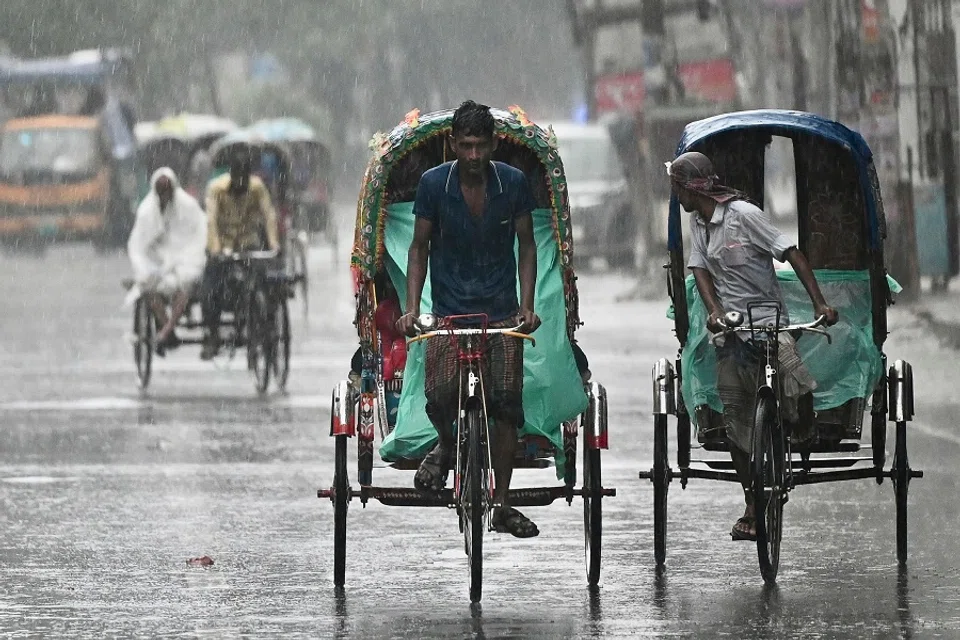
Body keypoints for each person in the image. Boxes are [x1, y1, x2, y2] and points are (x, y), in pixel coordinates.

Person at [666, 151, 839, 542]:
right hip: (733, 332)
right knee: (735, 420)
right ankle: (750, 501)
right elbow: (699, 269)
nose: (674, 195)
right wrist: (714, 311)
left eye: (677, 187)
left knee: (794, 380)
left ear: (689, 187)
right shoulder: (699, 224)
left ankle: (798, 428)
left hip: (769, 323)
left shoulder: (744, 216)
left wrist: (819, 303)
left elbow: (791, 252)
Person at [395, 100, 542, 538]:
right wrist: (411, 308)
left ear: (494, 143)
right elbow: (418, 248)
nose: (474, 156)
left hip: (499, 313)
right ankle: (445, 443)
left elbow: (528, 246)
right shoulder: (432, 185)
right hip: (449, 312)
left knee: (504, 406)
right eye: (466, 146)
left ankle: (501, 504)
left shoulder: (512, 183)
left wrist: (527, 306)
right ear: (453, 144)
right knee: (440, 395)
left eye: (481, 146)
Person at [199, 152, 280, 360]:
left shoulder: (257, 188)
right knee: (210, 289)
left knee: (267, 281)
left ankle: (266, 322)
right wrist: (216, 249)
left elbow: (268, 215)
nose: (241, 185)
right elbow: (211, 221)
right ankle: (213, 333)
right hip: (223, 247)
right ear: (231, 176)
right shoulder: (216, 189)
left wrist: (273, 244)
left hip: (249, 244)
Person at [127, 167, 207, 356]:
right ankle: (166, 325)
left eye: (167, 191)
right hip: (157, 262)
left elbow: (197, 236)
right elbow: (139, 244)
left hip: (185, 259)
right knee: (147, 286)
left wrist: (182, 257)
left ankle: (167, 329)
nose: (164, 195)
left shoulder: (188, 206)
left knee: (185, 282)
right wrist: (148, 265)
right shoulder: (146, 211)